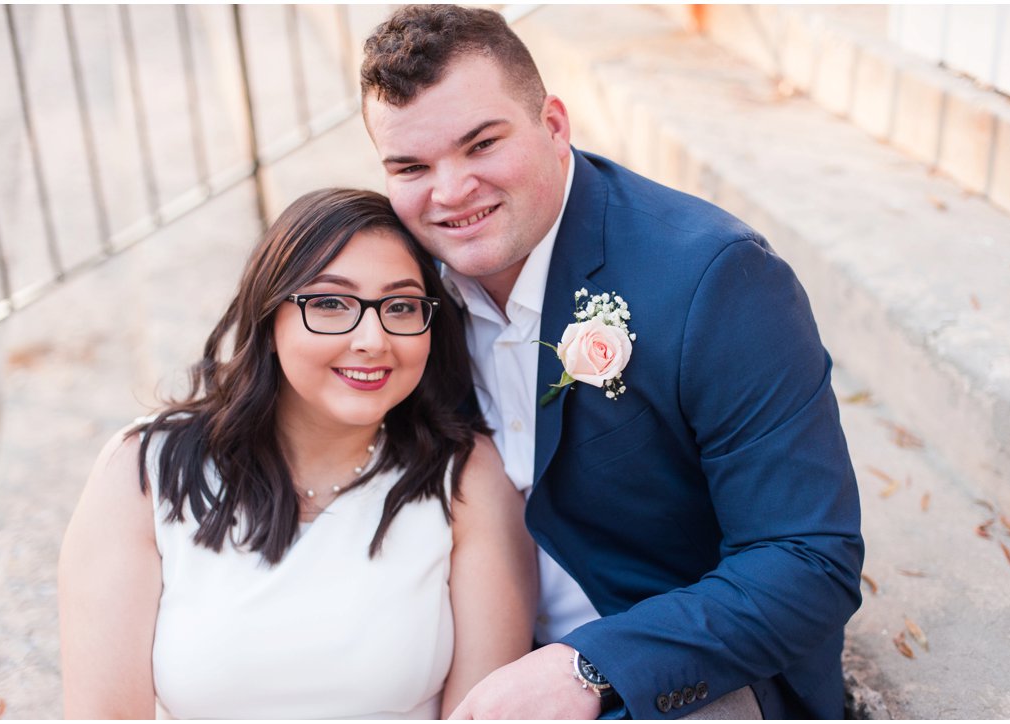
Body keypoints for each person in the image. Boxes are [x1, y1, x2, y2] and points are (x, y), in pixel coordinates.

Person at [359, 5, 865, 720]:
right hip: (469, 651)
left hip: (674, 674)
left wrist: (592, 667)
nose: (448, 192)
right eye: (412, 166)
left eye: (480, 145)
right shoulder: (403, 283)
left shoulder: (713, 281)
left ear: (555, 126)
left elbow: (808, 562)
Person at [58, 189, 537, 719]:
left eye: (401, 306)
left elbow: (484, 713)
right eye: (331, 303)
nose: (372, 339)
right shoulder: (144, 473)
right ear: (268, 320)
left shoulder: (467, 478)